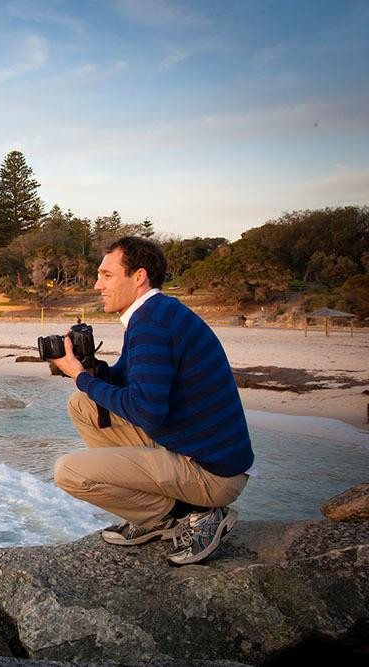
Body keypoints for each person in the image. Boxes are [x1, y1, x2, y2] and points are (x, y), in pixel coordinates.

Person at [52, 236, 253, 566]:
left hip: (213, 474)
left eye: (107, 275)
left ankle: (191, 515)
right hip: (196, 450)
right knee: (83, 405)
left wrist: (80, 376)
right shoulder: (155, 312)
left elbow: (147, 411)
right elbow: (128, 380)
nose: (97, 284)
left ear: (139, 276)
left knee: (69, 472)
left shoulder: (152, 323)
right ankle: (156, 518)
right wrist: (90, 368)